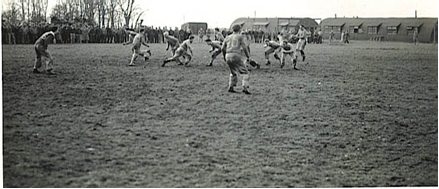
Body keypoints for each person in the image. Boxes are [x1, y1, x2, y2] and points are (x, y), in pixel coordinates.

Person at [221, 24, 252, 94]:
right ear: (239, 29)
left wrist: (224, 56)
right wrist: (248, 56)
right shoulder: (240, 36)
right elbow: (244, 47)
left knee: (233, 72)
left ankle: (231, 86)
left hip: (228, 55)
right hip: (235, 54)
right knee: (245, 72)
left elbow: (222, 48)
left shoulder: (227, 37)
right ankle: (245, 87)